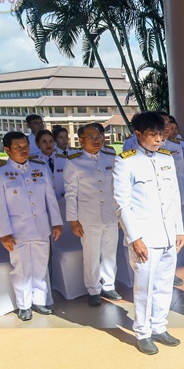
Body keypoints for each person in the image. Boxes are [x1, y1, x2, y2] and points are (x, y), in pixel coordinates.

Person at [113, 112, 184, 354]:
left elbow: (173, 197)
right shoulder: (126, 161)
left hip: (167, 236)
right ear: (138, 135)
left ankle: (159, 326)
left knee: (165, 285)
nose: (158, 140)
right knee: (144, 287)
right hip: (144, 237)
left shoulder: (166, 158)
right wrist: (135, 239)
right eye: (152, 135)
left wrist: (179, 230)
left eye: (160, 134)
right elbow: (122, 205)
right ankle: (143, 332)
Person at [0, 131, 63, 321]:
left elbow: (50, 198)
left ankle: (39, 301)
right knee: (20, 268)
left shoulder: (39, 168)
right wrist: (5, 233)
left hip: (41, 227)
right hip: (17, 231)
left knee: (39, 266)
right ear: (6, 150)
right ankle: (24, 305)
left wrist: (56, 222)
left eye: (26, 147)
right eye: (18, 148)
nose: (23, 150)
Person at [63, 124, 121, 307]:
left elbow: (118, 188)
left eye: (100, 137)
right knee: (91, 255)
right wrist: (73, 221)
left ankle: (109, 284)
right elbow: (70, 194)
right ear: (81, 140)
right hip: (88, 217)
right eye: (92, 138)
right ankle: (94, 289)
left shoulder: (111, 158)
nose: (97, 141)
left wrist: (120, 214)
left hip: (111, 214)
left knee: (110, 253)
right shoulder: (74, 162)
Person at [35, 129, 67, 198]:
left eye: (51, 141)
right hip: (44, 202)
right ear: (37, 143)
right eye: (44, 142)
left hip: (63, 200)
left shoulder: (64, 159)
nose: (48, 144)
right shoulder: (33, 162)